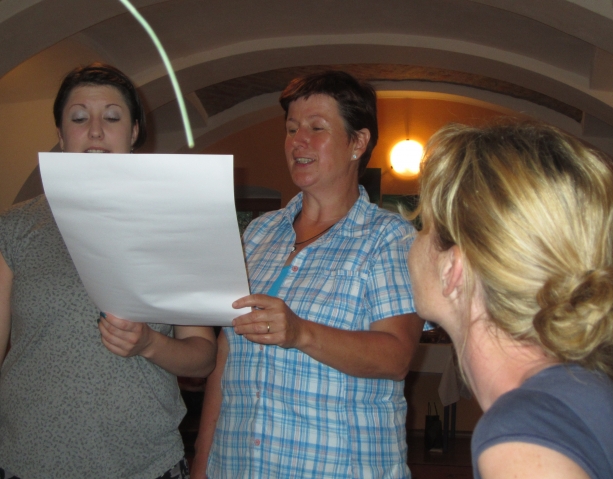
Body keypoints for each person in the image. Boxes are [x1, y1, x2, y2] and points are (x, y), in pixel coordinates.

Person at [191, 71, 425, 478]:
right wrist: (202, 461)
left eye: (316, 128)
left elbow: (396, 356)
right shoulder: (259, 233)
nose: (298, 140)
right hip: (237, 466)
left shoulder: (390, 238)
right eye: (291, 128)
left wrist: (301, 333)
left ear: (358, 143)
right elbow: (227, 354)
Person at [0, 63, 217, 479]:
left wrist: (149, 343)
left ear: (134, 132)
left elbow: (202, 357)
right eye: (79, 118)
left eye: (112, 117)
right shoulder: (16, 226)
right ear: (61, 134)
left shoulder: (174, 224)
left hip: (143, 463)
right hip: (25, 459)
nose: (96, 130)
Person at [408, 121, 613, 479]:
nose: (412, 241)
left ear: (453, 269)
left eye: (423, 226)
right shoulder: (578, 388)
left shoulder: (522, 437)